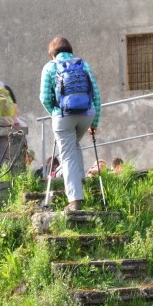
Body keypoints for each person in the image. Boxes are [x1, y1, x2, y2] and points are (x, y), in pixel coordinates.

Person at [39, 36, 101, 211]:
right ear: (70, 50)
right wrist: (94, 122)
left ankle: (75, 201)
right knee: (73, 145)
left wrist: (54, 113)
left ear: (53, 54)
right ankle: (81, 181)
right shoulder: (83, 64)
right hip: (87, 114)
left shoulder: (50, 67)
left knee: (67, 156)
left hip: (64, 116)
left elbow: (44, 97)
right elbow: (96, 94)